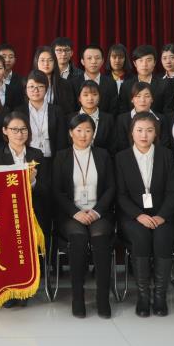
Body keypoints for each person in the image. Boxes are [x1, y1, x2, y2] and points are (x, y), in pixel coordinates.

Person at [115, 112, 174, 317]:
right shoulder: (121, 157)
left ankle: (160, 296)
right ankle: (143, 296)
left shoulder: (166, 155)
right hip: (133, 216)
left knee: (162, 236)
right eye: (139, 130)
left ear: (156, 133)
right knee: (141, 236)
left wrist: (162, 216)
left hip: (163, 215)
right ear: (132, 133)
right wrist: (138, 215)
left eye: (149, 130)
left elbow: (173, 192)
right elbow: (120, 194)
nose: (144, 135)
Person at [52, 113, 115, 319]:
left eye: (88, 130)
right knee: (78, 238)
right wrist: (75, 212)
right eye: (78, 130)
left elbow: (111, 188)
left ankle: (102, 298)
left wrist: (96, 211)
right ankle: (77, 297)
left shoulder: (103, 155)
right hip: (71, 214)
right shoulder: (61, 156)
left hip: (99, 212)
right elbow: (57, 191)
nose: (83, 135)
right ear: (71, 133)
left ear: (93, 134)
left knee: (100, 238)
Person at [0, 111, 48, 242]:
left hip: (33, 211)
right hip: (6, 212)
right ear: (5, 130)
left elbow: (47, 191)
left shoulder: (37, 155)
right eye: (14, 130)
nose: (19, 134)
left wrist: (33, 182)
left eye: (23, 129)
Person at [15, 70, 69, 174]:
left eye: (40, 86)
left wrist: (60, 161)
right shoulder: (19, 112)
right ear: (26, 89)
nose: (35, 90)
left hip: (52, 160)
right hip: (27, 161)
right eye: (31, 86)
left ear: (46, 89)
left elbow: (62, 140)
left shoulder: (56, 111)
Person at [114, 82, 170, 153]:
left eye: (147, 96)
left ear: (152, 99)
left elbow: (164, 144)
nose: (142, 100)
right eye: (138, 96)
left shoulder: (161, 119)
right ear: (132, 99)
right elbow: (122, 146)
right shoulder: (122, 120)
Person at [118, 45, 171, 115]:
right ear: (135, 63)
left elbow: (167, 112)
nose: (144, 64)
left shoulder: (164, 85)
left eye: (148, 60)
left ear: (154, 63)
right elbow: (123, 113)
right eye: (141, 60)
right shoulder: (126, 86)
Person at [73, 44, 118, 115]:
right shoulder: (73, 83)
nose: (93, 61)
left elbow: (113, 109)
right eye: (89, 58)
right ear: (82, 61)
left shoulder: (111, 83)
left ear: (102, 61)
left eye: (97, 58)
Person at [73, 80, 115, 155]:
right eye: (85, 95)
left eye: (94, 94)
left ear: (99, 97)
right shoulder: (69, 118)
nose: (90, 98)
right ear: (79, 98)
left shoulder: (108, 119)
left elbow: (113, 146)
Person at [32, 46, 76, 116]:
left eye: (50, 60)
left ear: (55, 62)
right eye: (42, 60)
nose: (46, 64)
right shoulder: (28, 83)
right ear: (36, 62)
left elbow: (68, 111)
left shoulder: (65, 85)